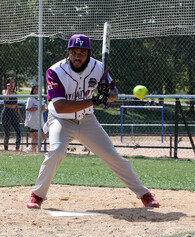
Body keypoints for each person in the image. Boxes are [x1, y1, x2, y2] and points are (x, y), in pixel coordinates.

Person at [27, 34, 159, 209]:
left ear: (88, 54)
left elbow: (114, 94)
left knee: (112, 155)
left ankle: (145, 194)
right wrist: (95, 100)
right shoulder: (55, 71)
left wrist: (107, 94)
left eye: (82, 52)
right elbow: (60, 107)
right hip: (61, 120)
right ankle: (37, 195)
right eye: (74, 52)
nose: (77, 56)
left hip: (86, 119)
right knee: (56, 151)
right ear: (68, 52)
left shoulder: (99, 68)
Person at [1, 77, 24, 151]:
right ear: (7, 83)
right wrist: (8, 89)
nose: (12, 84)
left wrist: (20, 117)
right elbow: (6, 99)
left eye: (13, 82)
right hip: (6, 112)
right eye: (10, 82)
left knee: (18, 131)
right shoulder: (4, 91)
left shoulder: (15, 93)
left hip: (13, 112)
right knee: (7, 132)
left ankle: (17, 147)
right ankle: (6, 149)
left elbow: (17, 106)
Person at [25, 85, 47, 152]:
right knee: (35, 137)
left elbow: (44, 109)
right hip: (32, 121)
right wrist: (37, 108)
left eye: (38, 89)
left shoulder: (40, 98)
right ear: (33, 90)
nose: (36, 91)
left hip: (40, 121)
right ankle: (33, 151)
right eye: (35, 89)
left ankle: (31, 148)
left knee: (43, 136)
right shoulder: (30, 99)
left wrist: (43, 108)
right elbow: (28, 109)